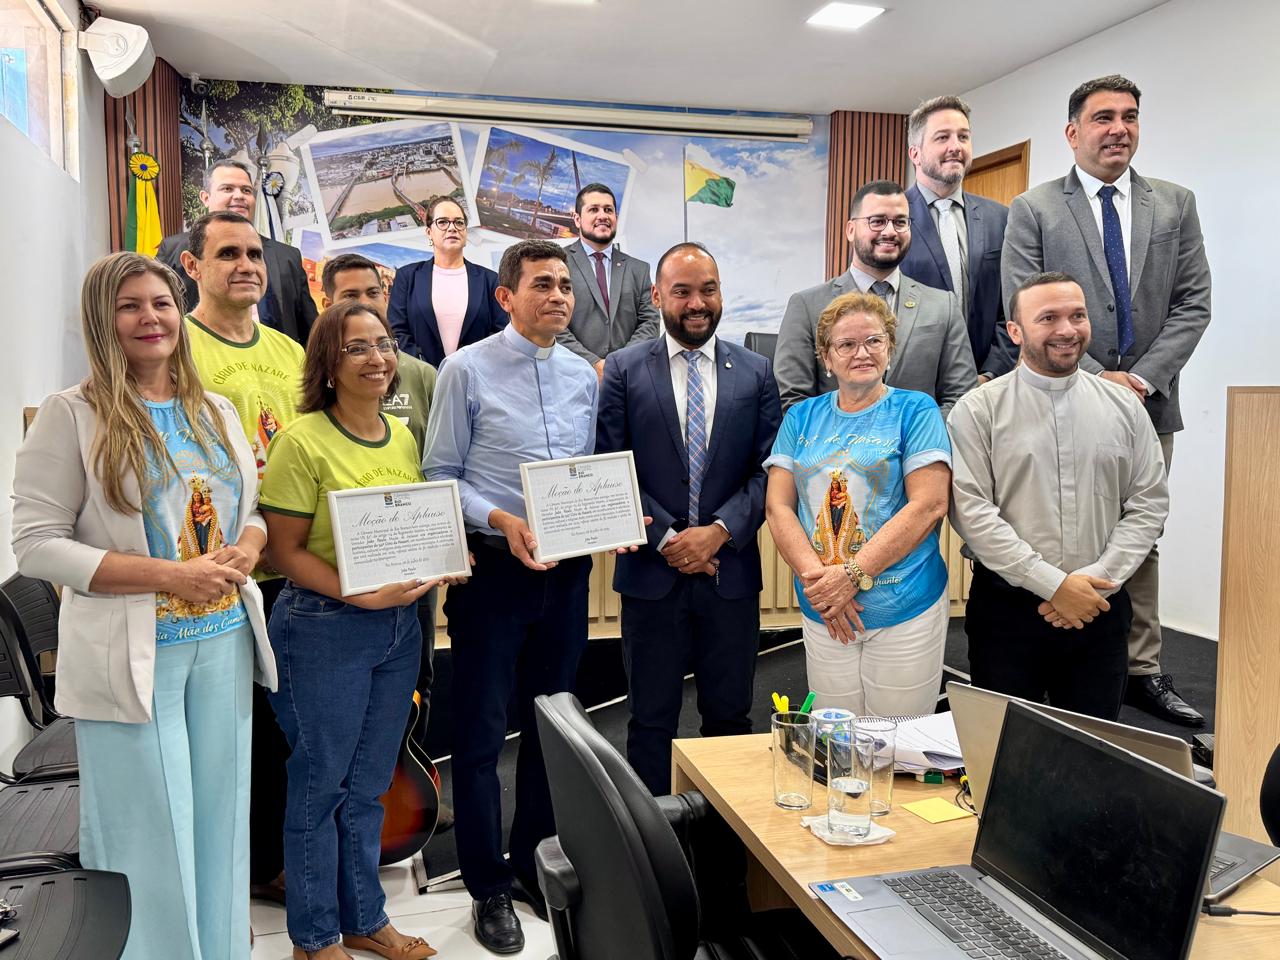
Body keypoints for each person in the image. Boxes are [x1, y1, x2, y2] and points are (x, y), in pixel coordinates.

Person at [12, 252, 276, 959]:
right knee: (150, 831)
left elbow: (250, 512)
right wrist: (170, 575)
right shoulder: (72, 415)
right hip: (135, 654)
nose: (150, 318)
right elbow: (36, 546)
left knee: (222, 822)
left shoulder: (213, 409)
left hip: (223, 642)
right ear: (103, 319)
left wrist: (249, 548)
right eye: (130, 305)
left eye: (161, 302)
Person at [426, 239, 642, 954]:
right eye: (541, 285)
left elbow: (585, 476)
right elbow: (441, 476)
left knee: (553, 724)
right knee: (484, 732)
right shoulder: (466, 370)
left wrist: (615, 518)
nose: (557, 296)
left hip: (567, 574)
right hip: (492, 572)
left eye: (564, 287)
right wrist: (501, 519)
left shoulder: (584, 375)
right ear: (506, 297)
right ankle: (487, 884)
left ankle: (531, 863)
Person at [1001, 74, 1211, 726]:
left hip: (1150, 404)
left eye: (1129, 117)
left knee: (1141, 535)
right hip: (1060, 398)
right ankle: (1072, 650)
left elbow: (1192, 304)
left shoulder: (1174, 204)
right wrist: (1095, 378)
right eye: (1102, 118)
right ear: (1073, 132)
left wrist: (1139, 380)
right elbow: (1020, 300)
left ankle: (1139, 668)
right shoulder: (1034, 209)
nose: (1118, 128)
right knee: (1059, 524)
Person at [260, 300, 454, 960]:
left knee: (371, 784)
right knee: (321, 785)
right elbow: (283, 551)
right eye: (358, 348)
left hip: (399, 630)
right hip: (324, 630)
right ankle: (314, 938)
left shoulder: (399, 437)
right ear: (328, 365)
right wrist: (358, 593)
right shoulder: (302, 440)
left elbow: (407, 527)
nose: (378, 358)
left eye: (384, 344)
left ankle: (366, 919)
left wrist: (435, 564)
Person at [596, 242, 781, 796]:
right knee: (650, 723)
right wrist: (671, 538)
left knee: (730, 721)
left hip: (731, 579)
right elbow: (612, 467)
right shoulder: (625, 370)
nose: (697, 303)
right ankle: (655, 856)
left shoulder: (756, 371)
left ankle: (725, 852)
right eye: (682, 291)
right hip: (653, 580)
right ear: (657, 297)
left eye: (708, 289)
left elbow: (770, 469)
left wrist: (719, 532)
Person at [949, 272, 1169, 720]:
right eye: (1048, 318)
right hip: (1008, 612)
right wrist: (1054, 585)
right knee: (1000, 757)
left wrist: (1094, 582)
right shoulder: (977, 410)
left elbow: (1149, 503)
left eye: (1078, 315)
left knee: (1093, 759)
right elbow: (972, 513)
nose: (1067, 330)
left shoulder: (1124, 406)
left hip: (1101, 608)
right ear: (1016, 331)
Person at [180, 208, 306, 905]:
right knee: (240, 733)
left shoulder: (289, 351)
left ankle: (281, 857)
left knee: (291, 729)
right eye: (228, 253)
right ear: (193, 267)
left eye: (255, 253)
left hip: (292, 569)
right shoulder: (180, 348)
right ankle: (254, 867)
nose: (247, 265)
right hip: (218, 573)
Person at [764, 291, 952, 715]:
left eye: (873, 341)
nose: (861, 352)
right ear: (826, 358)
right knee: (836, 742)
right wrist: (823, 585)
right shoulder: (800, 417)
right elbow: (778, 507)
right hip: (824, 607)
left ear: (890, 348)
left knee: (899, 745)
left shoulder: (916, 410)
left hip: (905, 605)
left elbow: (929, 505)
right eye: (846, 344)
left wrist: (850, 575)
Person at [320, 252, 452, 830]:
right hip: (335, 592)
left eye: (372, 294)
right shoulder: (313, 377)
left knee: (414, 686)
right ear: (326, 303)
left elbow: (434, 468)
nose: (363, 305)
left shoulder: (420, 375)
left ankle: (406, 787)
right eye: (349, 296)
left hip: (411, 579)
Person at [775, 179, 976, 414]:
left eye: (900, 222)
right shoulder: (807, 306)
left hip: (921, 448)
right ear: (851, 230)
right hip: (834, 449)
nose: (890, 231)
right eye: (877, 221)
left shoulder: (944, 306)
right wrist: (855, 446)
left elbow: (961, 398)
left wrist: (914, 440)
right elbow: (794, 401)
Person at [899, 95, 1016, 380]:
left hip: (985, 385)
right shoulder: (892, 220)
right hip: (912, 388)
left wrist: (990, 373)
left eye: (963, 137)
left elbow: (1012, 306)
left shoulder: (1001, 219)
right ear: (915, 153)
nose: (956, 147)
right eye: (942, 137)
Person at [159, 158, 318, 345]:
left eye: (246, 190)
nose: (239, 196)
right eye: (227, 189)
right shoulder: (174, 250)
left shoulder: (287, 256)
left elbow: (311, 331)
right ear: (205, 197)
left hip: (275, 366)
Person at [387, 195, 508, 366]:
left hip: (477, 378)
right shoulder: (407, 277)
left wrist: (467, 370)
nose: (452, 228)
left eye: (459, 222)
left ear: (465, 232)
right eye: (443, 222)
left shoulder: (490, 280)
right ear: (429, 232)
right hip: (423, 381)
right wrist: (427, 370)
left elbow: (501, 332)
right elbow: (397, 331)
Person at [557, 182, 661, 377]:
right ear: (577, 219)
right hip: (571, 379)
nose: (602, 215)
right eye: (593, 209)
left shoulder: (639, 269)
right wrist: (594, 364)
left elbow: (650, 322)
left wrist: (618, 364)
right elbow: (552, 324)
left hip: (629, 379)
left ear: (615, 218)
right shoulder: (558, 264)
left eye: (608, 210)